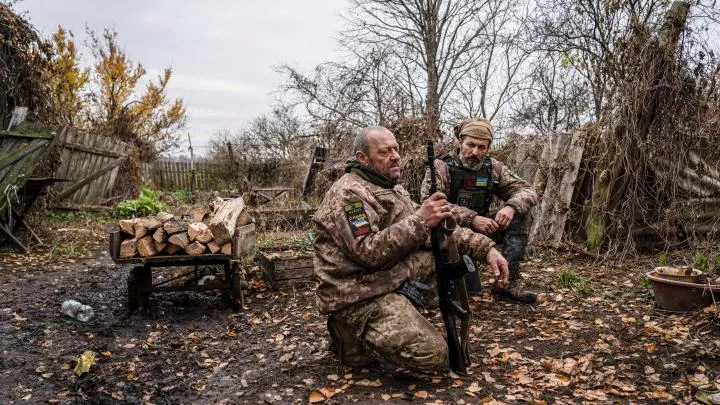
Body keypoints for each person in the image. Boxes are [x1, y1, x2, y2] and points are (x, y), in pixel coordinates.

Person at [313, 126, 509, 373]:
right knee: (435, 356)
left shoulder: (389, 185)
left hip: (383, 277)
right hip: (356, 293)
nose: (395, 156)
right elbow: (368, 251)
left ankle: (401, 311)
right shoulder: (349, 195)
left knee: (443, 258)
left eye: (396, 149)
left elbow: (438, 230)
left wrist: (486, 248)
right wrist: (421, 220)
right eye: (385, 152)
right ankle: (348, 332)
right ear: (362, 158)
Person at [420, 117, 538, 303]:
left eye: (482, 147)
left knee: (521, 214)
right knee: (463, 293)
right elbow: (432, 204)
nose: (475, 152)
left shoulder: (493, 168)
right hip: (450, 230)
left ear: (489, 147)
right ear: (460, 141)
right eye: (470, 145)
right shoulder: (441, 166)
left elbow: (527, 190)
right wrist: (472, 218)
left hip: (483, 228)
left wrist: (510, 206)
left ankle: (507, 283)